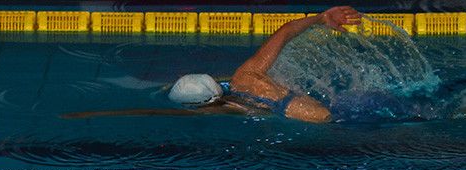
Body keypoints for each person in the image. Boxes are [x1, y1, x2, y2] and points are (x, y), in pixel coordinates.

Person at [61, 6, 364, 123]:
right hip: (341, 105)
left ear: (203, 105)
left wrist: (95, 114)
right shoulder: (246, 76)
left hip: (324, 120)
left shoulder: (228, 108)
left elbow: (150, 112)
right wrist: (322, 17)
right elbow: (285, 31)